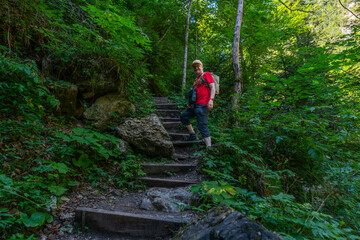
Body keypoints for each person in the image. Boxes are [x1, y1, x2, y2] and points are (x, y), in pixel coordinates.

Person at [180, 60, 215, 147]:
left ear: (202, 67)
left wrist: (211, 99)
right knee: (183, 116)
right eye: (194, 67)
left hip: (203, 105)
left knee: (202, 125)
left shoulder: (206, 74)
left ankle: (209, 148)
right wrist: (190, 103)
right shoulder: (196, 80)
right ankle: (193, 135)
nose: (196, 68)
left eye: (198, 66)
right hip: (194, 105)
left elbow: (212, 87)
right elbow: (194, 93)